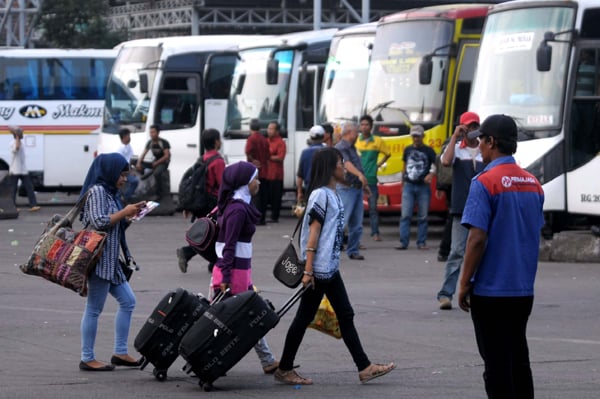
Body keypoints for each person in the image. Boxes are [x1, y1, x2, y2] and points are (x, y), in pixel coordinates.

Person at [274, 147, 395, 385]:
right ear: (331, 167)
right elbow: (313, 234)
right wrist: (308, 271)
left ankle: (364, 367)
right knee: (304, 317)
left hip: (329, 268)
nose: (344, 166)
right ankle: (285, 367)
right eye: (341, 163)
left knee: (344, 314)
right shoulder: (320, 194)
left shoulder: (333, 193)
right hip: (319, 270)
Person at [458, 114, 544, 398]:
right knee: (519, 360)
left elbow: (476, 239)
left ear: (492, 142)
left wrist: (464, 282)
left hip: (491, 291)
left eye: (481, 141)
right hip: (523, 290)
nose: (478, 147)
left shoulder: (484, 182)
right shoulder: (533, 183)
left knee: (496, 366)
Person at [78, 153, 146, 371]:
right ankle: (87, 358)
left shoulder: (111, 192)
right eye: (121, 175)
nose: (124, 179)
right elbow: (99, 221)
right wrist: (124, 212)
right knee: (94, 309)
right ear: (109, 172)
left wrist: (130, 216)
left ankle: (120, 352)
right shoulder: (98, 191)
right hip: (98, 260)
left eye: (126, 175)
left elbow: (114, 223)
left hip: (111, 261)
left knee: (128, 301)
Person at [210, 161, 279, 374]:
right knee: (242, 318)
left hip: (239, 271)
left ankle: (267, 360)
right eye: (254, 179)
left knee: (242, 317)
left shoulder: (238, 204)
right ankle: (205, 358)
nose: (258, 182)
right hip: (233, 274)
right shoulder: (238, 209)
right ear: (244, 183)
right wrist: (226, 277)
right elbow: (229, 245)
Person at [436, 111, 484, 310]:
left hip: (482, 208)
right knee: (456, 252)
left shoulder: (485, 149)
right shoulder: (455, 148)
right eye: (468, 127)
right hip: (461, 208)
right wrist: (455, 136)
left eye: (475, 127)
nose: (471, 130)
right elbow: (446, 162)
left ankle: (475, 293)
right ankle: (446, 294)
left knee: (480, 253)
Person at [176, 128, 226, 273]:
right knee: (215, 233)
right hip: (213, 203)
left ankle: (215, 262)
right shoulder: (218, 161)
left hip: (200, 202)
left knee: (210, 233)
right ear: (216, 142)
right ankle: (190, 254)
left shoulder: (202, 158)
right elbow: (222, 184)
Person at [396, 125, 436, 250]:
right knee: (405, 215)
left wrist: (430, 174)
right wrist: (402, 183)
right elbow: (404, 166)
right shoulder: (407, 149)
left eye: (418, 136)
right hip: (408, 185)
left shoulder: (429, 151)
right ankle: (403, 242)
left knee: (423, 216)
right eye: (414, 136)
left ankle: (421, 242)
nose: (416, 138)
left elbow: (437, 165)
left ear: (423, 136)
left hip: (423, 186)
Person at [335, 122, 370, 260]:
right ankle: (328, 249)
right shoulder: (341, 147)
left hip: (356, 188)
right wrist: (359, 175)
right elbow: (347, 163)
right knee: (341, 222)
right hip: (346, 188)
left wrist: (364, 184)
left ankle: (353, 250)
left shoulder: (352, 148)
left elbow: (356, 165)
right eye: (356, 132)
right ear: (350, 132)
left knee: (357, 224)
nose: (358, 135)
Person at [355, 114, 390, 242]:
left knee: (373, 208)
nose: (364, 127)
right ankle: (356, 236)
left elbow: (388, 154)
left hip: (371, 179)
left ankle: (375, 233)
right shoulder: (356, 141)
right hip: (356, 180)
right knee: (356, 209)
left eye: (367, 125)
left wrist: (377, 165)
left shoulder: (377, 141)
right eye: (362, 124)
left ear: (371, 127)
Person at [8, 126, 40, 212]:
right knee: (13, 189)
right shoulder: (13, 143)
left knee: (29, 187)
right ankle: (12, 207)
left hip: (22, 170)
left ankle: (33, 205)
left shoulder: (20, 143)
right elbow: (16, 149)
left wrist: (17, 136)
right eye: (21, 134)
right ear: (17, 135)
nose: (22, 135)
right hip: (15, 170)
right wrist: (17, 137)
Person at [245, 118, 270, 225]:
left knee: (255, 196)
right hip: (265, 170)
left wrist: (252, 161)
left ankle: (256, 218)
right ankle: (263, 218)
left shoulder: (251, 139)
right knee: (264, 194)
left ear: (250, 127)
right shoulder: (264, 139)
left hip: (255, 172)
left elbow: (248, 152)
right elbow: (268, 155)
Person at [136, 124, 171, 198]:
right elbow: (143, 153)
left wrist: (157, 163)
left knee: (157, 174)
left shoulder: (164, 142)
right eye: (150, 132)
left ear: (158, 133)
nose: (151, 134)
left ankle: (158, 193)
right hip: (154, 162)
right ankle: (144, 185)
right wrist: (139, 163)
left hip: (163, 162)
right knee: (135, 163)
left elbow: (166, 156)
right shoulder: (150, 142)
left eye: (153, 132)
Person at [296, 125, 327, 203]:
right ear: (323, 137)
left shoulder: (305, 152)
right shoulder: (328, 151)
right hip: (326, 189)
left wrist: (299, 192)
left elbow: (300, 175)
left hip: (310, 188)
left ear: (311, 137)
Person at [265, 121, 286, 223]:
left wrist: (268, 157)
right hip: (266, 173)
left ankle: (275, 216)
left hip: (276, 174)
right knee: (266, 195)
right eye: (268, 128)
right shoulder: (266, 141)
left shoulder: (280, 142)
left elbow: (281, 157)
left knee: (276, 197)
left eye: (271, 129)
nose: (268, 130)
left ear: (277, 131)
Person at [116, 128, 139, 203]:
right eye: (128, 136)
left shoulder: (129, 147)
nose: (130, 138)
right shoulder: (120, 149)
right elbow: (122, 163)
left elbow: (131, 160)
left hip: (127, 171)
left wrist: (132, 170)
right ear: (124, 137)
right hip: (120, 172)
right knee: (119, 187)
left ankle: (126, 197)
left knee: (135, 181)